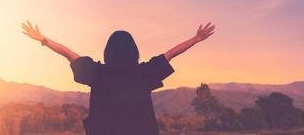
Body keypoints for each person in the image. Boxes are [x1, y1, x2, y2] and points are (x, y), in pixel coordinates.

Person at [22, 21, 215, 135]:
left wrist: (43, 40)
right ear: (133, 51)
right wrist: (196, 39)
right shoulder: (144, 73)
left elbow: (68, 53)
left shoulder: (97, 72)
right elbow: (172, 53)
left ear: (108, 51)